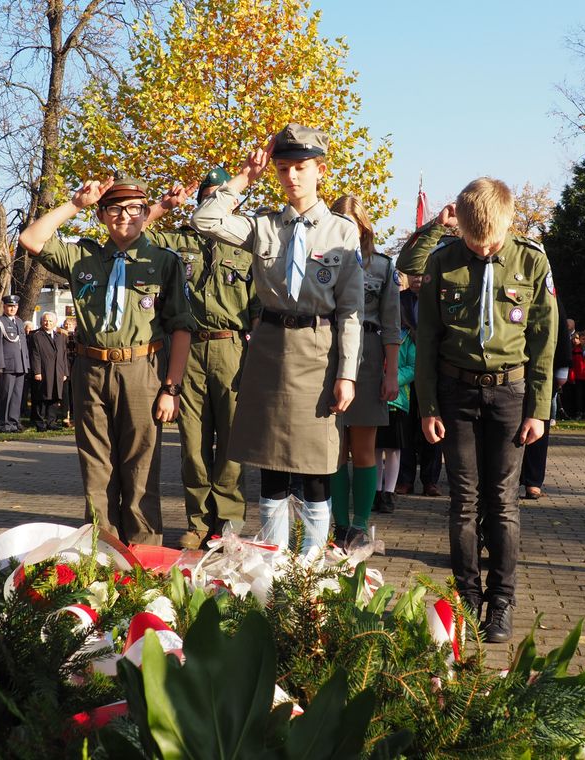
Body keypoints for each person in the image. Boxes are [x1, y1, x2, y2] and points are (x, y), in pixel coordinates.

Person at [397, 178, 558, 643]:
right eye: (472, 241)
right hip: (456, 392)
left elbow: (544, 343)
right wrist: (427, 407)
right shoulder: (443, 263)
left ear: (508, 223)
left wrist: (538, 410)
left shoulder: (533, 260)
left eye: (489, 242)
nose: (482, 250)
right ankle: (467, 598)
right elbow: (426, 341)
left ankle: (502, 600)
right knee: (463, 501)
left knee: (503, 502)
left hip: (511, 394)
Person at [191, 124, 364, 554]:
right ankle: (271, 562)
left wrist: (348, 375)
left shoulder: (342, 231)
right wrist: (245, 177)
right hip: (269, 352)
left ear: (319, 170)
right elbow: (205, 219)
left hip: (317, 354)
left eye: (301, 167)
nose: (291, 177)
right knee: (270, 467)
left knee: (315, 468)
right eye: (284, 168)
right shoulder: (264, 225)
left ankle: (309, 569)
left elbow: (350, 314)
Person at [18, 176, 193, 545]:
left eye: (133, 209)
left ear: (146, 214)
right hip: (91, 369)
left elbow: (180, 328)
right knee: (96, 469)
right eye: (114, 209)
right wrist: (75, 204)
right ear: (102, 216)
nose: (123, 216)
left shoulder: (162, 262)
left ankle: (144, 556)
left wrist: (171, 388)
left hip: (142, 370)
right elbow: (31, 239)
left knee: (141, 467)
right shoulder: (84, 257)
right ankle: (102, 553)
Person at [146, 167, 261, 550]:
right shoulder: (178, 242)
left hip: (232, 348)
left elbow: (260, 306)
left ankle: (227, 523)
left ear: (234, 201)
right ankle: (197, 522)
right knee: (192, 444)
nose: (212, 201)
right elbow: (135, 235)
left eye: (221, 196)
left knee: (233, 441)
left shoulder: (248, 243)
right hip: (189, 349)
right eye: (207, 196)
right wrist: (164, 206)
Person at [327, 195, 399, 546]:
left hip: (369, 358)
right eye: (338, 220)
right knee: (334, 447)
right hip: (327, 354)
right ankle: (338, 524)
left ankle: (359, 523)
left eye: (351, 223)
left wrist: (390, 374)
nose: (345, 228)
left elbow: (391, 325)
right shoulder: (320, 261)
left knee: (364, 447)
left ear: (364, 227)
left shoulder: (383, 268)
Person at [393, 271, 444, 497]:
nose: (416, 279)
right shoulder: (398, 300)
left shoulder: (438, 299)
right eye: (412, 275)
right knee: (405, 430)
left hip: (433, 373)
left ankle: (430, 480)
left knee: (432, 427)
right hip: (405, 376)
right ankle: (405, 480)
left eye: (422, 274)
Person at [520, 294, 571, 500]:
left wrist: (562, 368)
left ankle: (533, 481)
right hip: (511, 370)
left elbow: (559, 331)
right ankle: (510, 479)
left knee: (539, 428)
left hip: (542, 371)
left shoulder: (550, 296)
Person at [374, 277, 417, 515]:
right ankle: (375, 490)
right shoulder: (374, 332)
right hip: (374, 399)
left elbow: (413, 366)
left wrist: (392, 378)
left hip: (397, 401)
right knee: (374, 449)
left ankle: (388, 492)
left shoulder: (408, 337)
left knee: (393, 450)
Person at [0, 294, 31, 433]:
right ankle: (4, 423)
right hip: (7, 365)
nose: (12, 309)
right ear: (5, 307)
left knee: (17, 395)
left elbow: (22, 344)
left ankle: (13, 421)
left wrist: (26, 363)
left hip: (20, 364)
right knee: (6, 395)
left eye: (15, 306)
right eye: (10, 306)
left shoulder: (19, 322)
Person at [28, 311, 69, 431]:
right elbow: (35, 355)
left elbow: (64, 355)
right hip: (44, 370)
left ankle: (52, 422)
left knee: (55, 397)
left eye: (51, 321)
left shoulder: (60, 337)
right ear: (41, 322)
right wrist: (37, 371)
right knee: (42, 397)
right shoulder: (36, 336)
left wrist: (65, 372)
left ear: (55, 323)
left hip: (58, 371)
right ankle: (40, 423)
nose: (48, 323)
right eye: (45, 320)